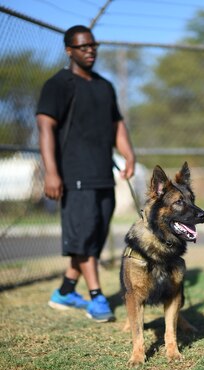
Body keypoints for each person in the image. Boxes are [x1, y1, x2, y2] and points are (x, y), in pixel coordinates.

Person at [36, 25, 135, 323]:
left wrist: (129, 154)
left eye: (93, 45)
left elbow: (117, 124)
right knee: (83, 238)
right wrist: (51, 173)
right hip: (73, 175)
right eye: (82, 47)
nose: (89, 50)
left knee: (94, 236)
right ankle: (96, 296)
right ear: (69, 50)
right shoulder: (58, 85)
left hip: (103, 173)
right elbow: (45, 127)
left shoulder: (104, 86)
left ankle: (66, 291)